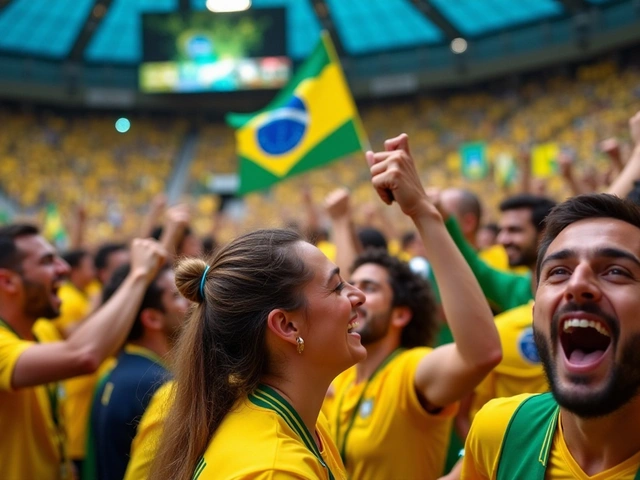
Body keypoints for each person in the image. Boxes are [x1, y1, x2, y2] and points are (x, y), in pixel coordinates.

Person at [321, 133, 502, 480]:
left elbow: (480, 354)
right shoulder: (342, 380)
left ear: (401, 314)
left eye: (370, 289)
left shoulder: (410, 373)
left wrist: (422, 212)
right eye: (350, 287)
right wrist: (342, 221)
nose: (354, 296)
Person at [150, 228, 366, 480]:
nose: (359, 296)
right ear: (286, 325)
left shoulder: (305, 421)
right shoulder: (274, 471)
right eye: (337, 287)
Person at [462, 193, 640, 479]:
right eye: (558, 271)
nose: (577, 283)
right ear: (535, 311)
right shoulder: (499, 432)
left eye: (616, 271)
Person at [0, 224, 165, 480]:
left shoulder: (41, 331)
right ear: (8, 281)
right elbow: (84, 355)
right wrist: (139, 275)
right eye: (47, 262)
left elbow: (100, 341)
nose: (64, 269)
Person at [85, 263, 189, 480]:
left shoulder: (117, 372)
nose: (190, 302)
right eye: (177, 296)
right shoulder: (158, 385)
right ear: (152, 318)